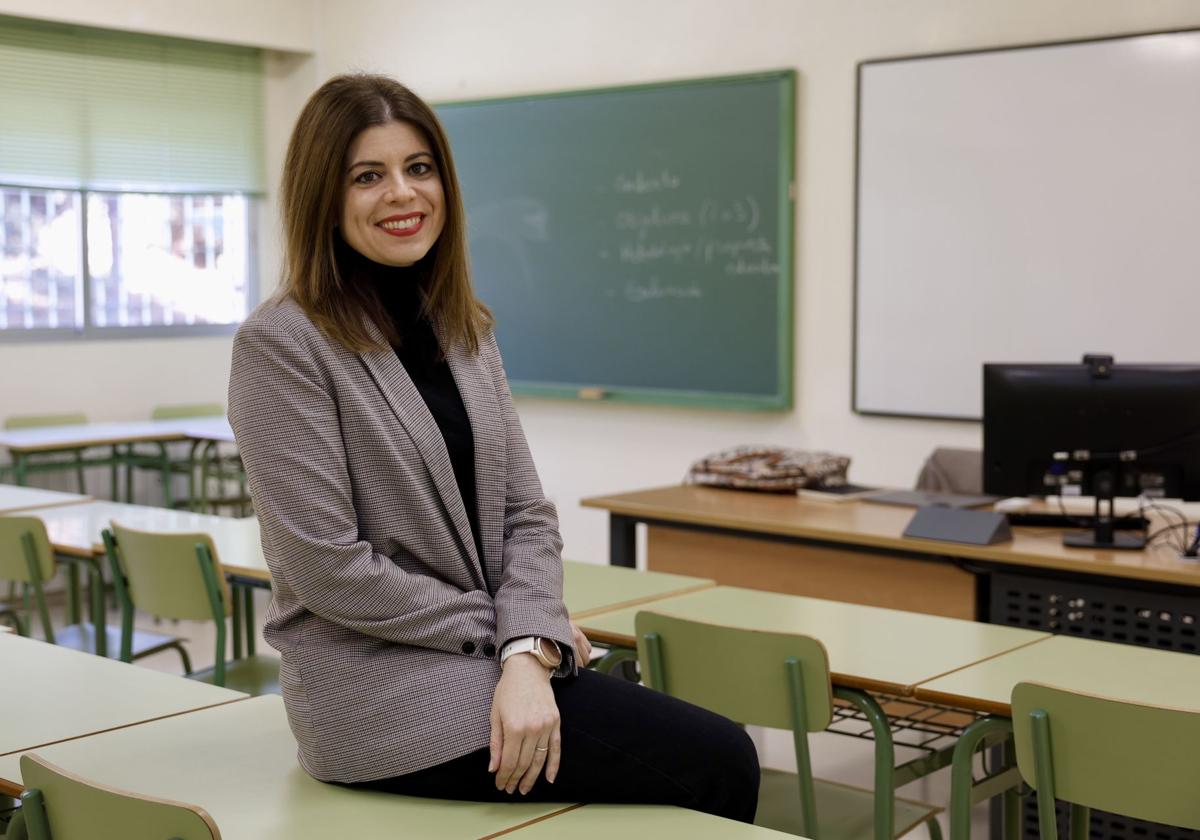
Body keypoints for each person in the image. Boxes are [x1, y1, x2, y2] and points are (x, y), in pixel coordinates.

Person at [228, 73, 759, 821]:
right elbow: (329, 569)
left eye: (419, 169)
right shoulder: (281, 344)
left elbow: (527, 517)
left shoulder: (462, 327)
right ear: (323, 195)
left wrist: (524, 648)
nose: (403, 195)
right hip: (376, 690)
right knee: (718, 759)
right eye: (367, 177)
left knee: (686, 749)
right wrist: (517, 642)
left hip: (484, 665)